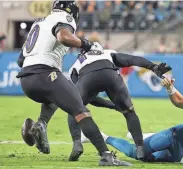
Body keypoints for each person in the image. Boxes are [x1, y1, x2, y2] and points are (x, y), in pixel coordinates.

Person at [17, 1, 131, 166]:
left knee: (53, 98)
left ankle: (41, 124)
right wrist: (84, 43)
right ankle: (106, 156)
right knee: (81, 112)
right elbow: (63, 36)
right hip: (45, 74)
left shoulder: (39, 22)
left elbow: (21, 60)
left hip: (26, 80)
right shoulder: (64, 17)